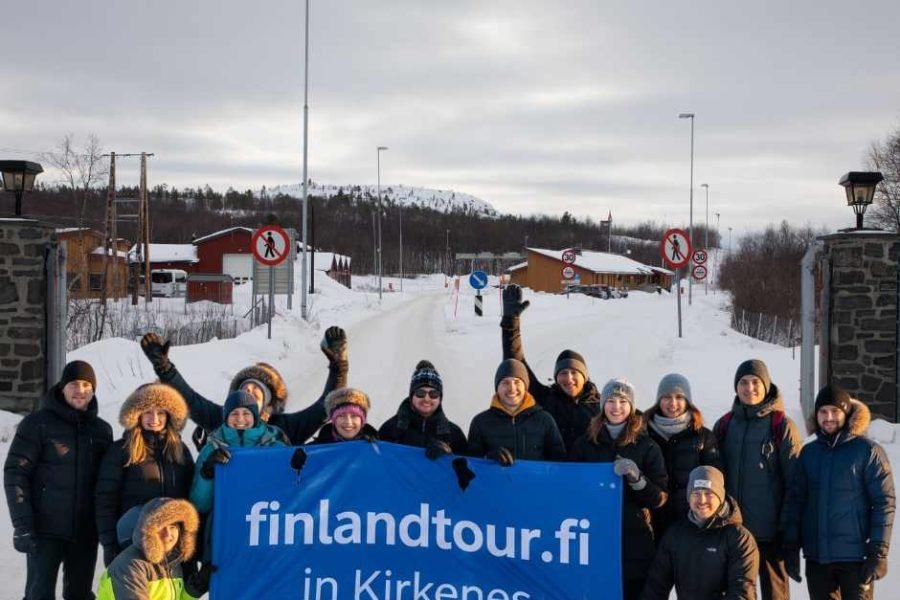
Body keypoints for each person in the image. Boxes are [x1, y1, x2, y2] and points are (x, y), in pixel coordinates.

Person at [4, 360, 113, 600]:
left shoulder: (102, 431)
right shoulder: (37, 424)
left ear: (93, 390)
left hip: (85, 532)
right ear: (63, 386)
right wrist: (22, 524)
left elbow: (109, 482)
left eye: (86, 384)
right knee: (39, 594)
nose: (80, 389)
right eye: (74, 383)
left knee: (79, 595)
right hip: (45, 530)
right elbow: (15, 473)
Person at [140, 326, 348, 444]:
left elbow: (326, 407)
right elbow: (189, 399)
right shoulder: (222, 419)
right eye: (245, 388)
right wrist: (164, 368)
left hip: (271, 512)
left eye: (257, 389)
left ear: (267, 400)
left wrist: (339, 368)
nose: (249, 391)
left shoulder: (285, 428)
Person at [783, 385, 895, 600]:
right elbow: (796, 501)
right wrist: (791, 545)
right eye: (823, 412)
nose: (829, 417)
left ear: (846, 413)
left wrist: (878, 551)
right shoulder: (809, 453)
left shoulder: (867, 451)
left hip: (855, 559)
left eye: (835, 411)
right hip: (817, 559)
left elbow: (884, 502)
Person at [569, 378, 668, 600]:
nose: (616, 407)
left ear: (631, 407)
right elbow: (570, 489)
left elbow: (659, 498)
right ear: (603, 405)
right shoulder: (585, 444)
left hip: (635, 542)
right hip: (594, 538)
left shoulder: (647, 446)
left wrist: (638, 479)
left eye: (623, 401)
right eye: (611, 401)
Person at [714, 359, 802, 600]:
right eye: (743, 382)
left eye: (755, 382)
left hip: (771, 532)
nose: (749, 388)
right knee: (738, 592)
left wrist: (786, 527)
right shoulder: (724, 425)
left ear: (766, 385)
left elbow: (795, 481)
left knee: (775, 593)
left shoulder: (781, 425)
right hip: (733, 530)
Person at [95, 382, 195, 568]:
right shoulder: (121, 451)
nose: (154, 418)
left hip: (173, 545)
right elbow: (105, 500)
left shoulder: (180, 451)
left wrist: (188, 540)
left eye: (160, 412)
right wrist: (110, 545)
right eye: (148, 412)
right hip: (132, 542)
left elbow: (192, 497)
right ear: (137, 414)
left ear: (169, 415)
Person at [500, 284, 601, 451]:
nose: (568, 378)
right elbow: (516, 364)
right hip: (548, 473)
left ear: (585, 376)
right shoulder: (545, 398)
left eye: (574, 372)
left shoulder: (601, 405)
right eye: (563, 373)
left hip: (586, 475)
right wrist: (511, 324)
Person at [640, 466, 759, 600]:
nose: (702, 500)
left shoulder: (739, 538)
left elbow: (742, 592)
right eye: (696, 493)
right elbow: (656, 585)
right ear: (688, 497)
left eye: (708, 493)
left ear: (720, 496)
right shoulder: (676, 534)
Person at [644, 373, 721, 534]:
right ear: (659, 401)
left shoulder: (703, 437)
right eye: (666, 397)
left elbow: (715, 479)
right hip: (651, 521)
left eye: (679, 397)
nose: (672, 403)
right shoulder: (643, 433)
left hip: (689, 522)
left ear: (687, 401)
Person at [96, 497, 201, 599]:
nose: (168, 534)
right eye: (161, 528)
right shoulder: (131, 565)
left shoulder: (172, 562)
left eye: (173, 527)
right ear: (149, 530)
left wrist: (192, 592)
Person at [467, 358, 566, 465]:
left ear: (525, 387)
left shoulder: (544, 420)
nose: (512, 388)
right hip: (498, 481)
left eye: (517, 382)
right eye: (505, 383)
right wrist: (488, 459)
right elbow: (470, 464)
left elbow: (559, 463)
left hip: (535, 481)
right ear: (497, 388)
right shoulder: (480, 422)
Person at [378, 360, 467, 457]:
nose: (427, 399)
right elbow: (376, 462)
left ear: (440, 398)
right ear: (412, 395)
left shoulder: (454, 434)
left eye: (434, 394)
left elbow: (467, 468)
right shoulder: (390, 428)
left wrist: (449, 455)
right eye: (421, 393)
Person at [310, 388, 379, 443]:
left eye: (354, 416)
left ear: (362, 421)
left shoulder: (378, 449)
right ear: (333, 420)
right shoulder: (314, 451)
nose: (348, 422)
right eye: (341, 416)